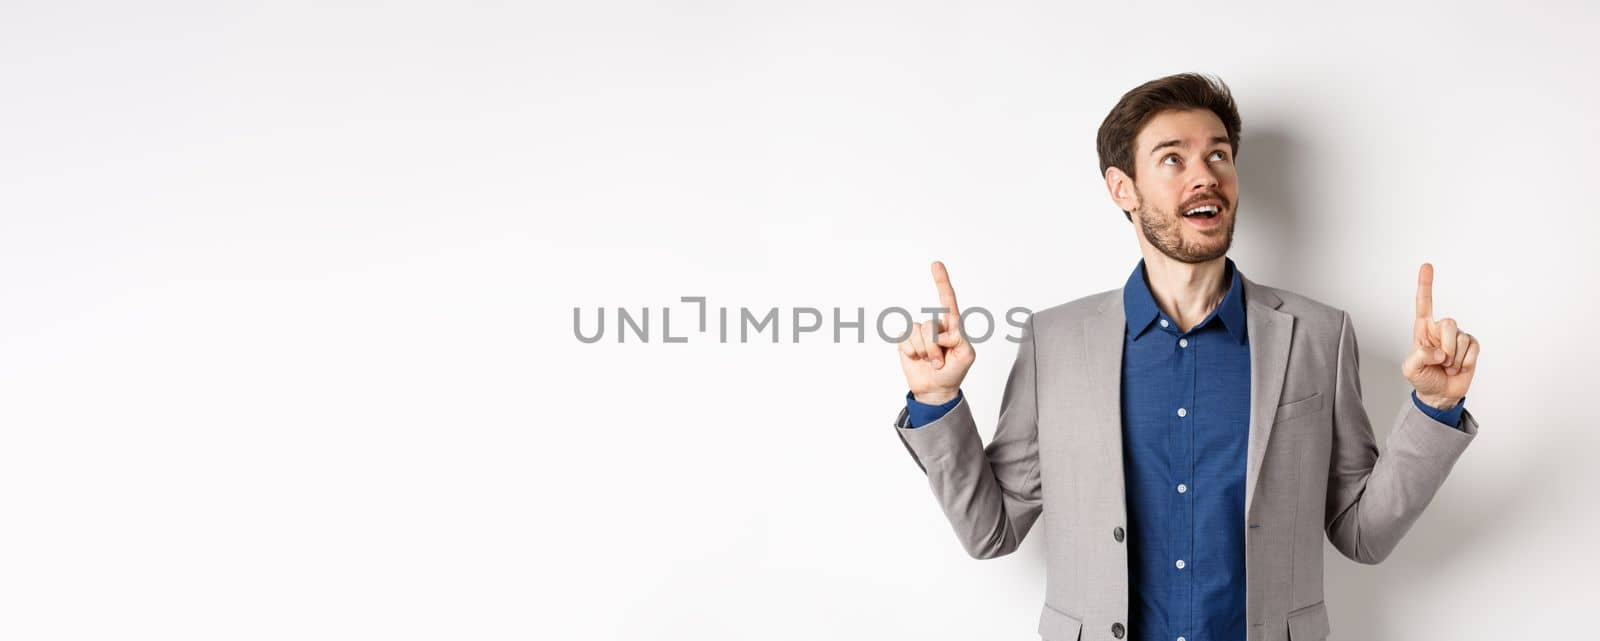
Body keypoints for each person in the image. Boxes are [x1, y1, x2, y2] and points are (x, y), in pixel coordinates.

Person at [890, 73, 1479, 641]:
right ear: (1123, 188)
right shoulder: (1056, 343)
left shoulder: (1320, 336)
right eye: (1173, 159)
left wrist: (1435, 407)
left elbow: (1362, 534)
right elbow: (990, 531)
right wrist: (937, 399)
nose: (1205, 176)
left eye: (1218, 155)